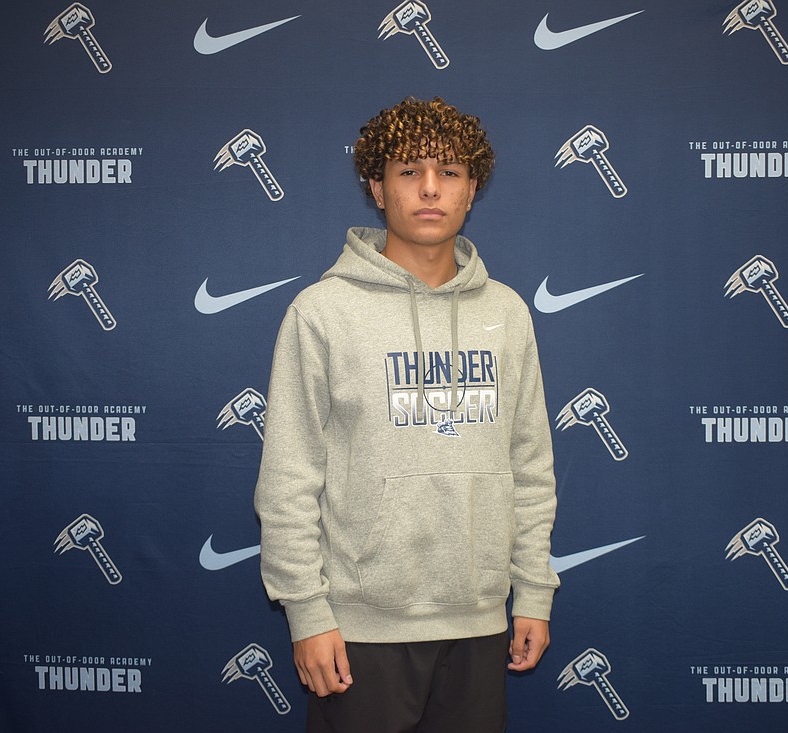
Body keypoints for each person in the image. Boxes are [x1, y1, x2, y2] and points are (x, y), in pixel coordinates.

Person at [254, 97, 559, 732]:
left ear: (471, 189)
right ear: (377, 186)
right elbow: (288, 478)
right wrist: (307, 612)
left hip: (479, 621)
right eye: (409, 170)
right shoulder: (322, 312)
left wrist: (532, 590)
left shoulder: (506, 313)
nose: (429, 188)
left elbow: (529, 467)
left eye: (449, 171)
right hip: (358, 630)